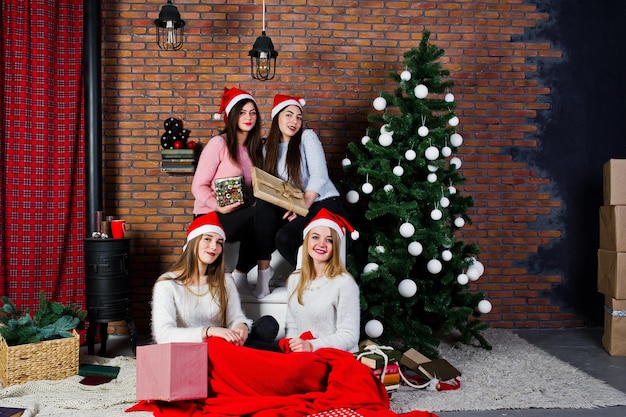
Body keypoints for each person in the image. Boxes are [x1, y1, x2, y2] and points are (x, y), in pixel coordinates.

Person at [254, 94, 345, 299]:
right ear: (277, 117)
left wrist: (301, 206)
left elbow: (320, 176)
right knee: (263, 207)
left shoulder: (307, 137)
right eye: (289, 115)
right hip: (297, 204)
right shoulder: (268, 147)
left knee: (284, 238)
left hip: (323, 202)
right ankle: (263, 273)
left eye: (298, 117)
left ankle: (316, 280)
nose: (294, 121)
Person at [151, 212, 280, 351]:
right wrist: (209, 331)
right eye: (207, 239)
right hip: (192, 350)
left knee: (268, 324)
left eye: (219, 242)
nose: (214, 247)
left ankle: (249, 356)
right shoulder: (167, 284)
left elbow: (235, 317)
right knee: (269, 352)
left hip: (224, 344)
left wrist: (241, 325)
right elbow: (163, 335)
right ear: (193, 242)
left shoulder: (225, 279)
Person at [191, 87, 269, 295]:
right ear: (232, 115)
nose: (248, 117)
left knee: (266, 216)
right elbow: (198, 186)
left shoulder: (255, 149)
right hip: (210, 214)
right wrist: (219, 206)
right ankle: (248, 273)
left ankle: (242, 274)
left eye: (253, 112)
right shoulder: (219, 144)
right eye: (243, 112)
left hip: (239, 213)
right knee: (259, 215)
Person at [281, 208, 361, 353]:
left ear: (335, 247)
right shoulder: (294, 279)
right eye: (315, 237)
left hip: (332, 355)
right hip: (303, 354)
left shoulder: (343, 283)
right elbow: (292, 325)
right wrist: (293, 349)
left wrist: (312, 345)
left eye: (329, 240)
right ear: (307, 241)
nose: (321, 244)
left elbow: (350, 336)